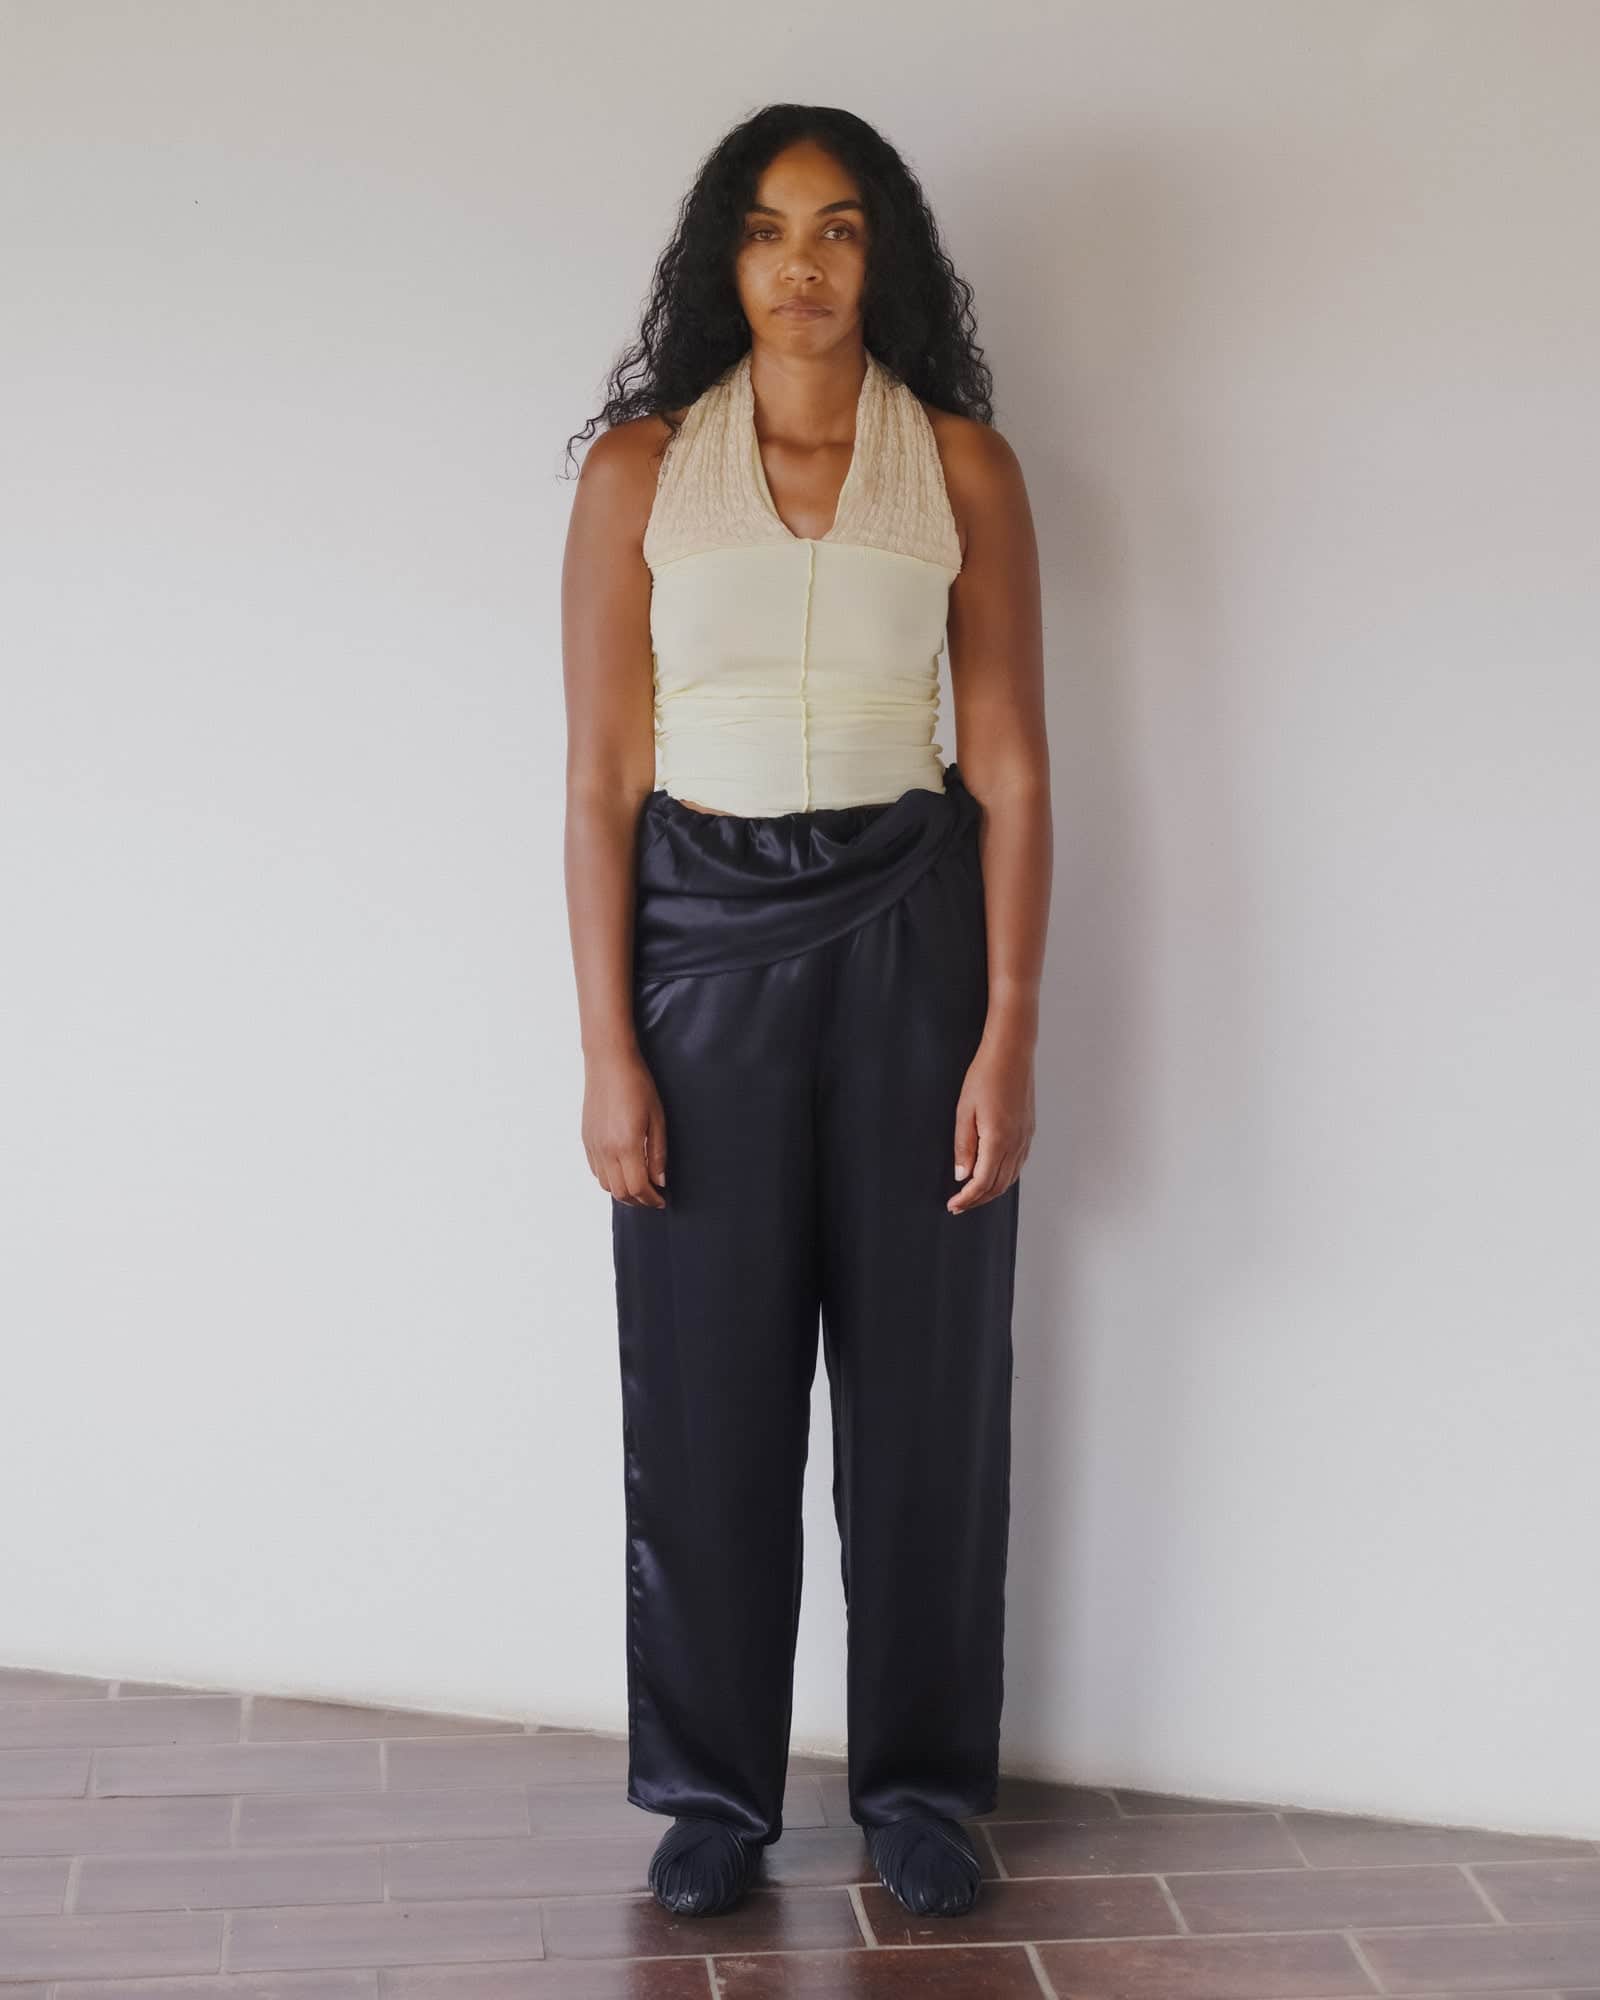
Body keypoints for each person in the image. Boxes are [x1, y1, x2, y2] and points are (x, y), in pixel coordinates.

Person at [560, 103, 1050, 1921]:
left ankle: (920, 1788)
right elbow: (600, 779)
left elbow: (1009, 758)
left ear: (881, 256)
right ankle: (714, 1794)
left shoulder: (965, 467)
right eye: (769, 230)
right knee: (706, 1386)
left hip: (915, 931)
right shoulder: (640, 473)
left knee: (930, 1388)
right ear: (726, 258)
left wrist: (1011, 1023)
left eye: (839, 228)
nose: (803, 265)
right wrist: (609, 1048)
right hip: (700, 943)